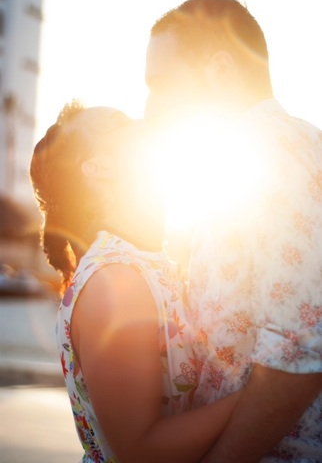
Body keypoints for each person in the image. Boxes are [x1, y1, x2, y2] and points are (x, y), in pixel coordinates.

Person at [144, 0, 322, 462]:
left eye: (161, 84)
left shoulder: (273, 152)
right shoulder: (260, 153)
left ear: (220, 70)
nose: (150, 106)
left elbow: (299, 356)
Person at [29, 100, 241, 463]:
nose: (144, 121)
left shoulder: (146, 264)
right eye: (121, 124)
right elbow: (141, 450)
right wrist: (268, 391)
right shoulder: (116, 282)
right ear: (98, 168)